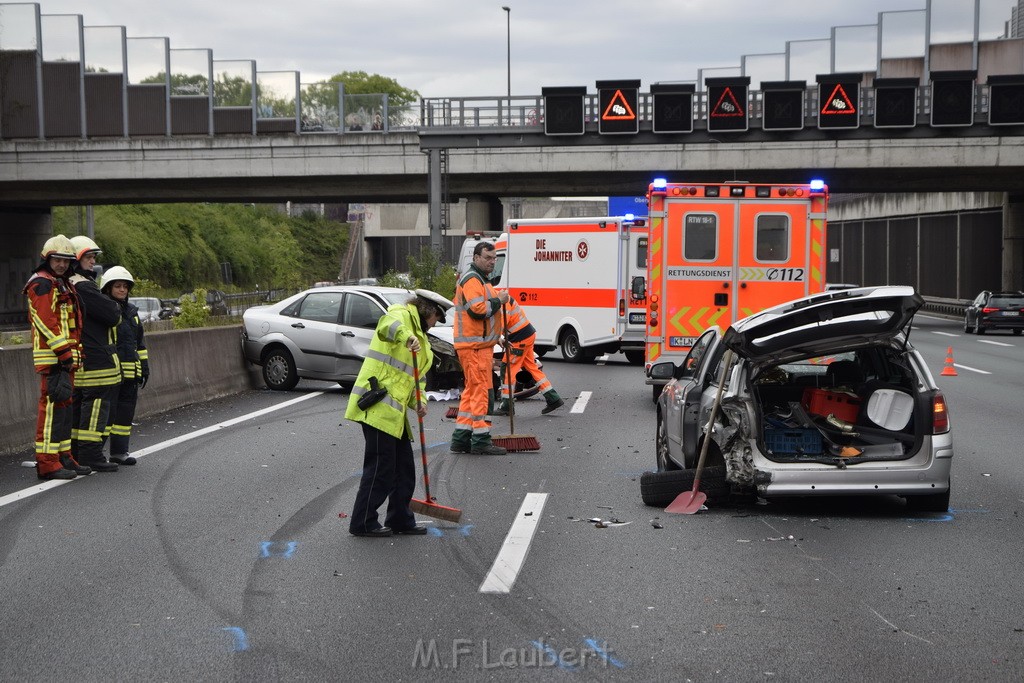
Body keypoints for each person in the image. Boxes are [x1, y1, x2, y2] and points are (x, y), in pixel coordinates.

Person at [345, 289, 453, 538]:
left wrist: (421, 401)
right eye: (436, 316)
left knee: (404, 468)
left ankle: (400, 519)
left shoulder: (424, 342)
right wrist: (406, 337)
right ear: (426, 309)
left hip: (396, 414)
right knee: (381, 467)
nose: (436, 322)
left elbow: (417, 379)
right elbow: (386, 326)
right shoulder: (401, 315)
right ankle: (362, 521)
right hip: (376, 403)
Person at [23, 235, 91, 480]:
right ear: (47, 259)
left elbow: (71, 324)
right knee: (51, 410)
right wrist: (63, 352)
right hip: (54, 359)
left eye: (65, 260)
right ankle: (47, 462)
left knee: (63, 408)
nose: (62, 264)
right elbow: (45, 321)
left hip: (65, 359)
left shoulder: (60, 283)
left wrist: (73, 354)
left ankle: (64, 456)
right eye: (57, 260)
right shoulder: (42, 283)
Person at [68, 235, 122, 473]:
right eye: (88, 257)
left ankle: (79, 453)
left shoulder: (67, 283)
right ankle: (92, 454)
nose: (92, 262)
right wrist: (115, 307)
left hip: (82, 359)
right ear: (77, 259)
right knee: (95, 408)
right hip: (97, 362)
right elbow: (112, 315)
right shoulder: (83, 286)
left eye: (93, 258)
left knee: (81, 408)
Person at [450, 241, 509, 455]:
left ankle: (461, 438)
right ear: (476, 258)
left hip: (479, 346)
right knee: (481, 394)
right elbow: (478, 311)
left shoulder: (481, 281)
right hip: (474, 347)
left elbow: (482, 318)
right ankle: (481, 440)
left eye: (494, 258)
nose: (492, 262)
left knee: (472, 393)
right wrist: (499, 301)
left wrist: (497, 338)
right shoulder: (473, 279)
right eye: (487, 258)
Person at [100, 266, 149, 466]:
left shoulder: (132, 313)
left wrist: (144, 366)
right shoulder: (106, 312)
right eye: (118, 286)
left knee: (124, 416)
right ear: (108, 289)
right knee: (107, 415)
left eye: (125, 287)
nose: (122, 290)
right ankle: (94, 454)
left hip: (131, 375)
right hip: (112, 373)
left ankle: (119, 452)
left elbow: (140, 343)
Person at [494, 296, 564, 416]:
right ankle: (553, 398)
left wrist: (495, 337)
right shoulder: (501, 296)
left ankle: (507, 405)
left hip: (519, 339)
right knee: (531, 368)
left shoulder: (500, 300)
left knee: (507, 369)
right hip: (526, 335)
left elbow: (501, 322)